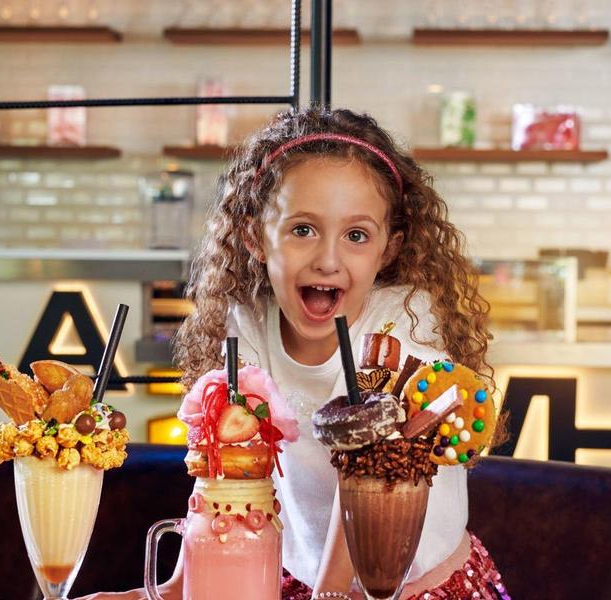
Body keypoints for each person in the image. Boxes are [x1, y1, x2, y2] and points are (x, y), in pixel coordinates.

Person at [78, 106, 509, 600]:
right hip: (302, 582)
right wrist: (179, 587)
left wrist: (328, 592)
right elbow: (226, 464)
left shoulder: (405, 320)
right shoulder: (247, 323)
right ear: (255, 237)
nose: (328, 259)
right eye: (303, 229)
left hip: (420, 588)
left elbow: (369, 470)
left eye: (356, 235)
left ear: (388, 250)